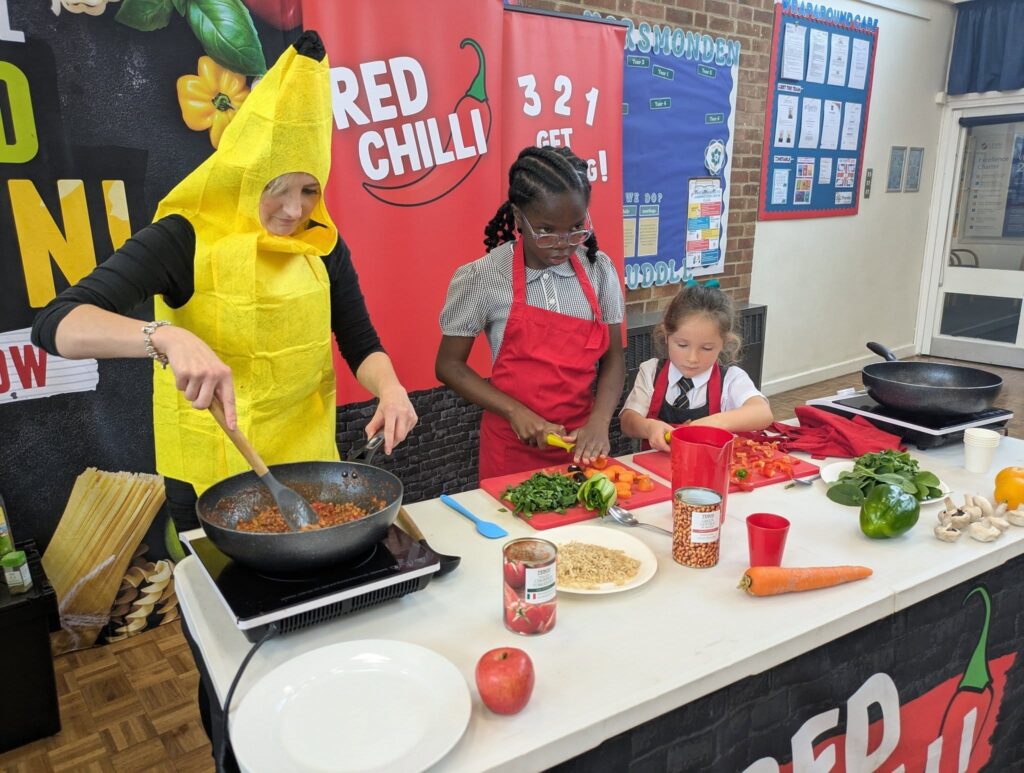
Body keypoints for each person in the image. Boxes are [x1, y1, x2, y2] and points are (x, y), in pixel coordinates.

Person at [32, 32, 415, 766]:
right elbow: (60, 324)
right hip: (213, 484)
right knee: (234, 652)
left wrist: (390, 385)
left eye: (311, 189)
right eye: (281, 187)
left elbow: (360, 340)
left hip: (310, 472)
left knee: (313, 645)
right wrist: (161, 337)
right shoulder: (185, 237)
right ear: (243, 167)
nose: (296, 208)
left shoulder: (322, 242)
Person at [436, 145, 625, 480]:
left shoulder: (599, 270)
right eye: (547, 229)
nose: (563, 243)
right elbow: (448, 365)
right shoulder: (484, 277)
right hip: (511, 450)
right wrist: (514, 411)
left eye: (576, 227)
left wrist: (599, 422)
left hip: (579, 447)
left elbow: (613, 359)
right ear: (519, 215)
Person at [619, 283, 773, 451]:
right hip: (653, 471)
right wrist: (649, 427)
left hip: (709, 470)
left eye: (706, 348)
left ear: (724, 344)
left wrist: (712, 423)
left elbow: (762, 413)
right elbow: (628, 422)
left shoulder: (731, 379)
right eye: (682, 345)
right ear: (666, 336)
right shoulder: (651, 372)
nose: (692, 358)